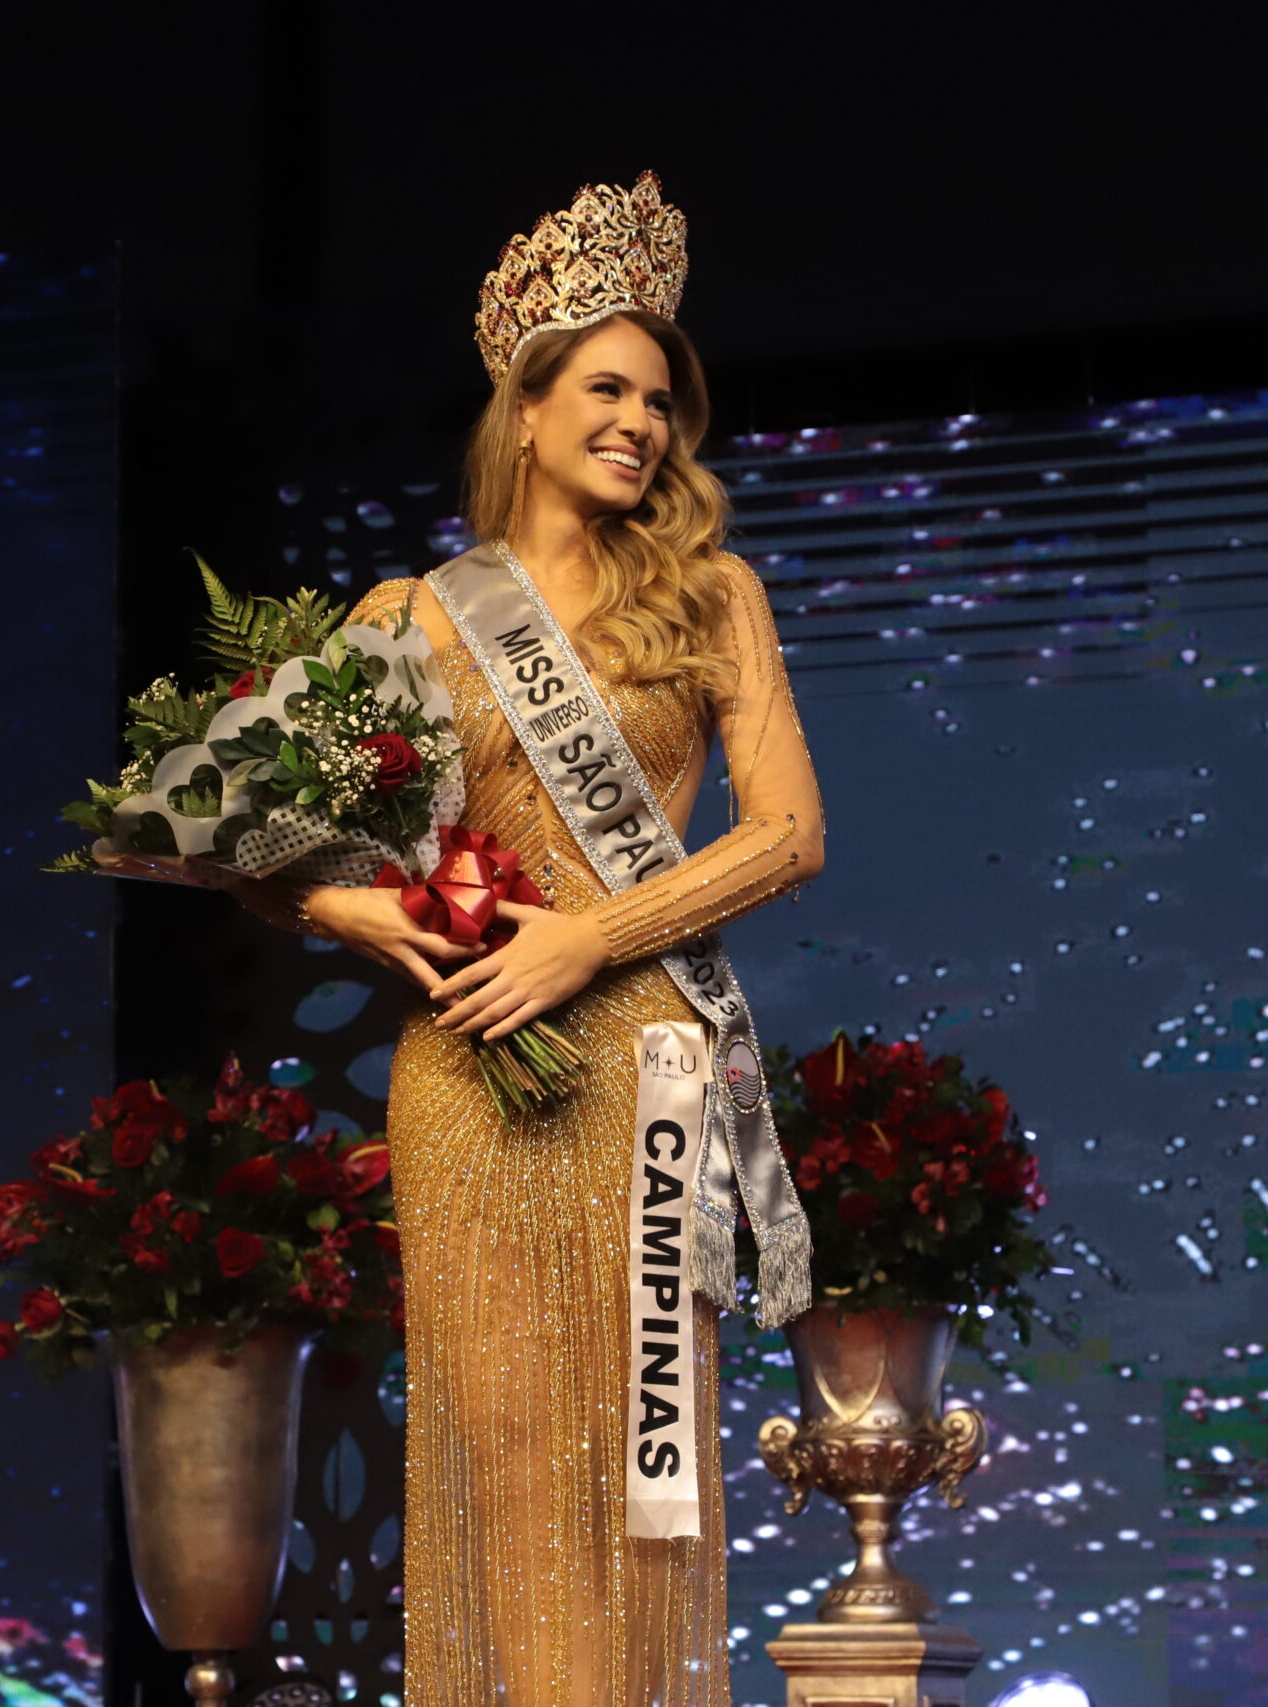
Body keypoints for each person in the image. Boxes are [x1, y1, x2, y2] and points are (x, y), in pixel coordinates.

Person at [302, 175, 826, 1705]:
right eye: (606, 388)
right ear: (523, 409)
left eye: (660, 399)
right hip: (470, 1065)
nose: (642, 423)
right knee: (513, 1444)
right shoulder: (415, 611)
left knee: (638, 1461)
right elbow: (271, 854)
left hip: (643, 1068)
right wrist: (358, 907)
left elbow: (789, 833)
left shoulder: (713, 593)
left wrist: (589, 937)